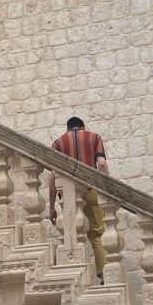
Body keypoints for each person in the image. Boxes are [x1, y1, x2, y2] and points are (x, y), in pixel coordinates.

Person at [48, 117, 109, 281]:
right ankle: (104, 276)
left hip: (68, 197)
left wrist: (52, 205)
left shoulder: (58, 144)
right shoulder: (94, 137)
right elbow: (101, 164)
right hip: (90, 191)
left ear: (68, 129)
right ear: (83, 127)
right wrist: (108, 190)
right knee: (97, 235)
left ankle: (74, 276)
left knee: (71, 236)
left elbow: (53, 175)